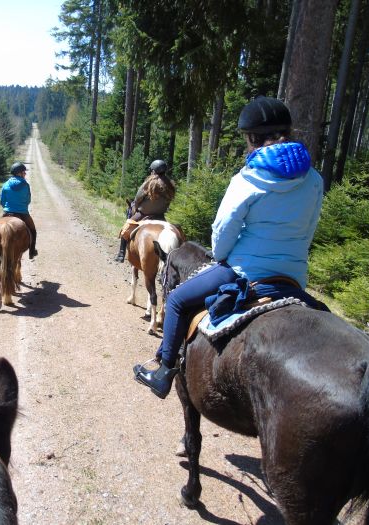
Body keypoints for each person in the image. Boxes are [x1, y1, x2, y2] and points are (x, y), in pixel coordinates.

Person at [133, 96, 324, 399]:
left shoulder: (248, 178)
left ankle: (163, 371)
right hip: (293, 277)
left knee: (180, 299)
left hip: (246, 273)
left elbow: (222, 233)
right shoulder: (314, 178)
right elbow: (309, 229)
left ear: (252, 138)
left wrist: (222, 258)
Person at [115, 159, 176, 262]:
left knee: (126, 227)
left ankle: (121, 254)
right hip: (160, 216)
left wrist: (136, 207)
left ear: (153, 171)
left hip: (143, 214)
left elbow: (138, 198)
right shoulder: (170, 185)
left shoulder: (149, 183)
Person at [0, 161, 38, 259]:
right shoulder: (25, 185)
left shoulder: (5, 184)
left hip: (7, 212)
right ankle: (32, 251)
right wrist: (22, 206)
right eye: (23, 172)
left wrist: (7, 207)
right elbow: (28, 200)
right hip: (23, 213)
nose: (25, 174)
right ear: (19, 173)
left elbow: (2, 200)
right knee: (33, 230)